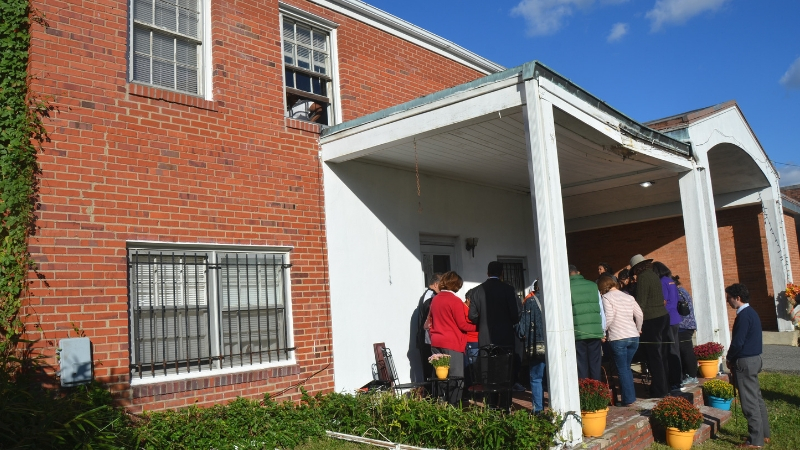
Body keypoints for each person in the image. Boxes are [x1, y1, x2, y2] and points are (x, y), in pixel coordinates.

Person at [725, 283, 771, 449]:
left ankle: (755, 442)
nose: (728, 302)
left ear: (737, 298)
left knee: (749, 402)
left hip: (745, 361)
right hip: (755, 359)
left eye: (729, 298)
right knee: (757, 399)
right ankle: (764, 434)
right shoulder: (752, 312)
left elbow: (738, 342)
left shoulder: (743, 316)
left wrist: (729, 358)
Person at [429, 271, 476, 405]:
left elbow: (431, 321)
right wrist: (478, 327)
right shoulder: (454, 301)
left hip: (436, 341)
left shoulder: (435, 299)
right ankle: (453, 407)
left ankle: (441, 403)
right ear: (456, 285)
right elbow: (462, 325)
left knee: (441, 376)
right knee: (456, 378)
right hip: (452, 343)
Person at [630, 254, 670, 398]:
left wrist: (636, 322)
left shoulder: (643, 278)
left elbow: (640, 303)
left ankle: (659, 389)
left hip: (652, 319)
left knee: (654, 357)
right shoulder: (653, 274)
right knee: (662, 355)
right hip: (663, 317)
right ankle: (665, 386)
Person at [599, 275, 643, 406]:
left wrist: (603, 331)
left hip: (618, 337)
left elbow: (610, 316)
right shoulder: (628, 296)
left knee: (623, 369)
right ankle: (629, 397)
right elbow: (639, 314)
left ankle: (628, 399)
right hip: (633, 336)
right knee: (626, 368)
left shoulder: (606, 297)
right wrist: (638, 329)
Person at [468, 261, 520, 351]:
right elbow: (515, 314)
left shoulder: (476, 291)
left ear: (487, 273)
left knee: (486, 364)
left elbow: (472, 315)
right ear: (502, 273)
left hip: (485, 337)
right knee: (505, 364)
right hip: (505, 335)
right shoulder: (509, 290)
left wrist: (483, 321)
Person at [568, 264, 606, 381]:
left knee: (581, 365)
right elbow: (601, 309)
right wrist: (603, 330)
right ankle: (597, 393)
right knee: (595, 365)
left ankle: (585, 394)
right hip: (594, 331)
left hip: (577, 331)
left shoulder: (565, 287)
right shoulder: (593, 285)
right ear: (578, 272)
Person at [517, 280, 546, 413]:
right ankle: (558, 408)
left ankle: (538, 409)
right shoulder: (556, 299)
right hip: (554, 347)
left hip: (535, 346)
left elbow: (522, 330)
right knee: (555, 378)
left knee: (536, 378)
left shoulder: (530, 301)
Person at [652, 261, 683, 391]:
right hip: (675, 318)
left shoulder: (662, 282)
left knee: (670, 350)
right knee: (675, 349)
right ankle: (678, 379)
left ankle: (675, 380)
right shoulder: (671, 281)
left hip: (668, 319)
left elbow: (663, 301)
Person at [416, 273, 442, 381]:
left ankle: (431, 394)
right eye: (442, 285)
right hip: (427, 339)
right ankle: (432, 395)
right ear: (436, 284)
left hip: (426, 338)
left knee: (430, 369)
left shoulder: (427, 294)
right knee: (431, 370)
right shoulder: (431, 296)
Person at [673, 275, 698, 385]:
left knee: (686, 351)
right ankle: (689, 374)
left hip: (683, 326)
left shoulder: (678, 293)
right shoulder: (683, 291)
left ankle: (692, 375)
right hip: (688, 325)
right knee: (686, 351)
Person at [463, 288, 479, 391]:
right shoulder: (463, 308)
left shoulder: (469, 308)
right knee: (471, 368)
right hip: (470, 341)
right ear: (468, 299)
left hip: (477, 340)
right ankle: (470, 389)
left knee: (475, 367)